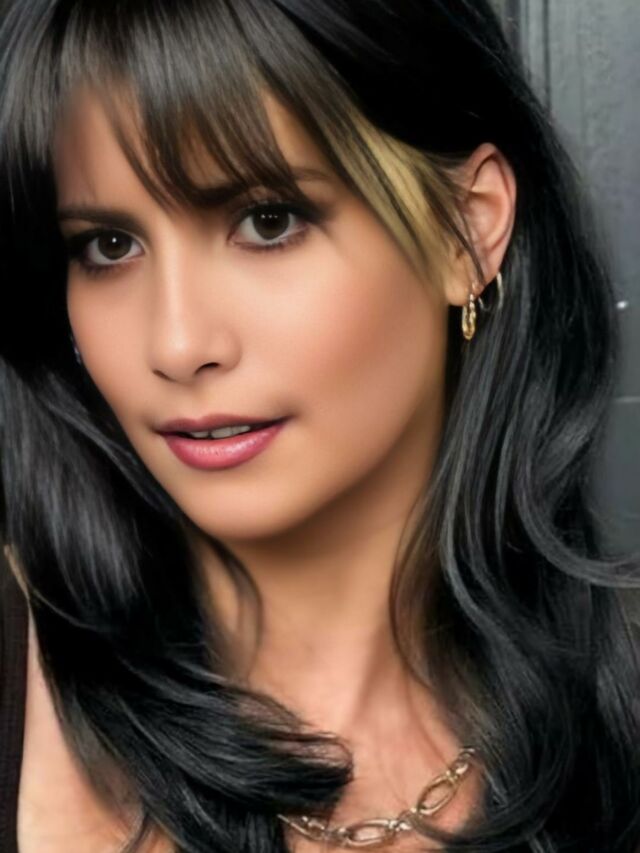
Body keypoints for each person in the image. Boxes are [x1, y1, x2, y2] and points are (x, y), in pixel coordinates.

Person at [0, 1, 639, 851]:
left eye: (267, 221)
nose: (177, 344)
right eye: (109, 246)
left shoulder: (616, 711)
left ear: (466, 229)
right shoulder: (23, 687)